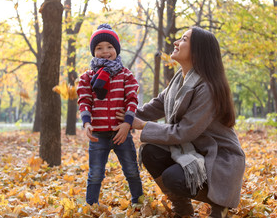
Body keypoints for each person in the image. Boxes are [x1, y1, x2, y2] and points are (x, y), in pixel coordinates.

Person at [117, 26, 245, 218]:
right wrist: (122, 115)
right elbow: (155, 106)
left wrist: (141, 125)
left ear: (198, 51)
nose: (176, 43)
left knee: (172, 178)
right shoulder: (180, 80)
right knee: (150, 151)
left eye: (184, 40)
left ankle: (220, 203)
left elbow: (184, 132)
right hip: (194, 152)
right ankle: (182, 208)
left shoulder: (207, 87)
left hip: (218, 159)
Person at [77, 23, 143, 206]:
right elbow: (84, 101)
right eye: (99, 48)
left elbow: (132, 99)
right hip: (98, 134)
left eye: (109, 47)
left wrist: (127, 124)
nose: (105, 51)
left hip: (120, 132)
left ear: (116, 49)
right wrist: (86, 122)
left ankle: (138, 201)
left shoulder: (126, 75)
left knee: (131, 170)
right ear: (93, 51)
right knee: (95, 173)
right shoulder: (87, 78)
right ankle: (91, 205)